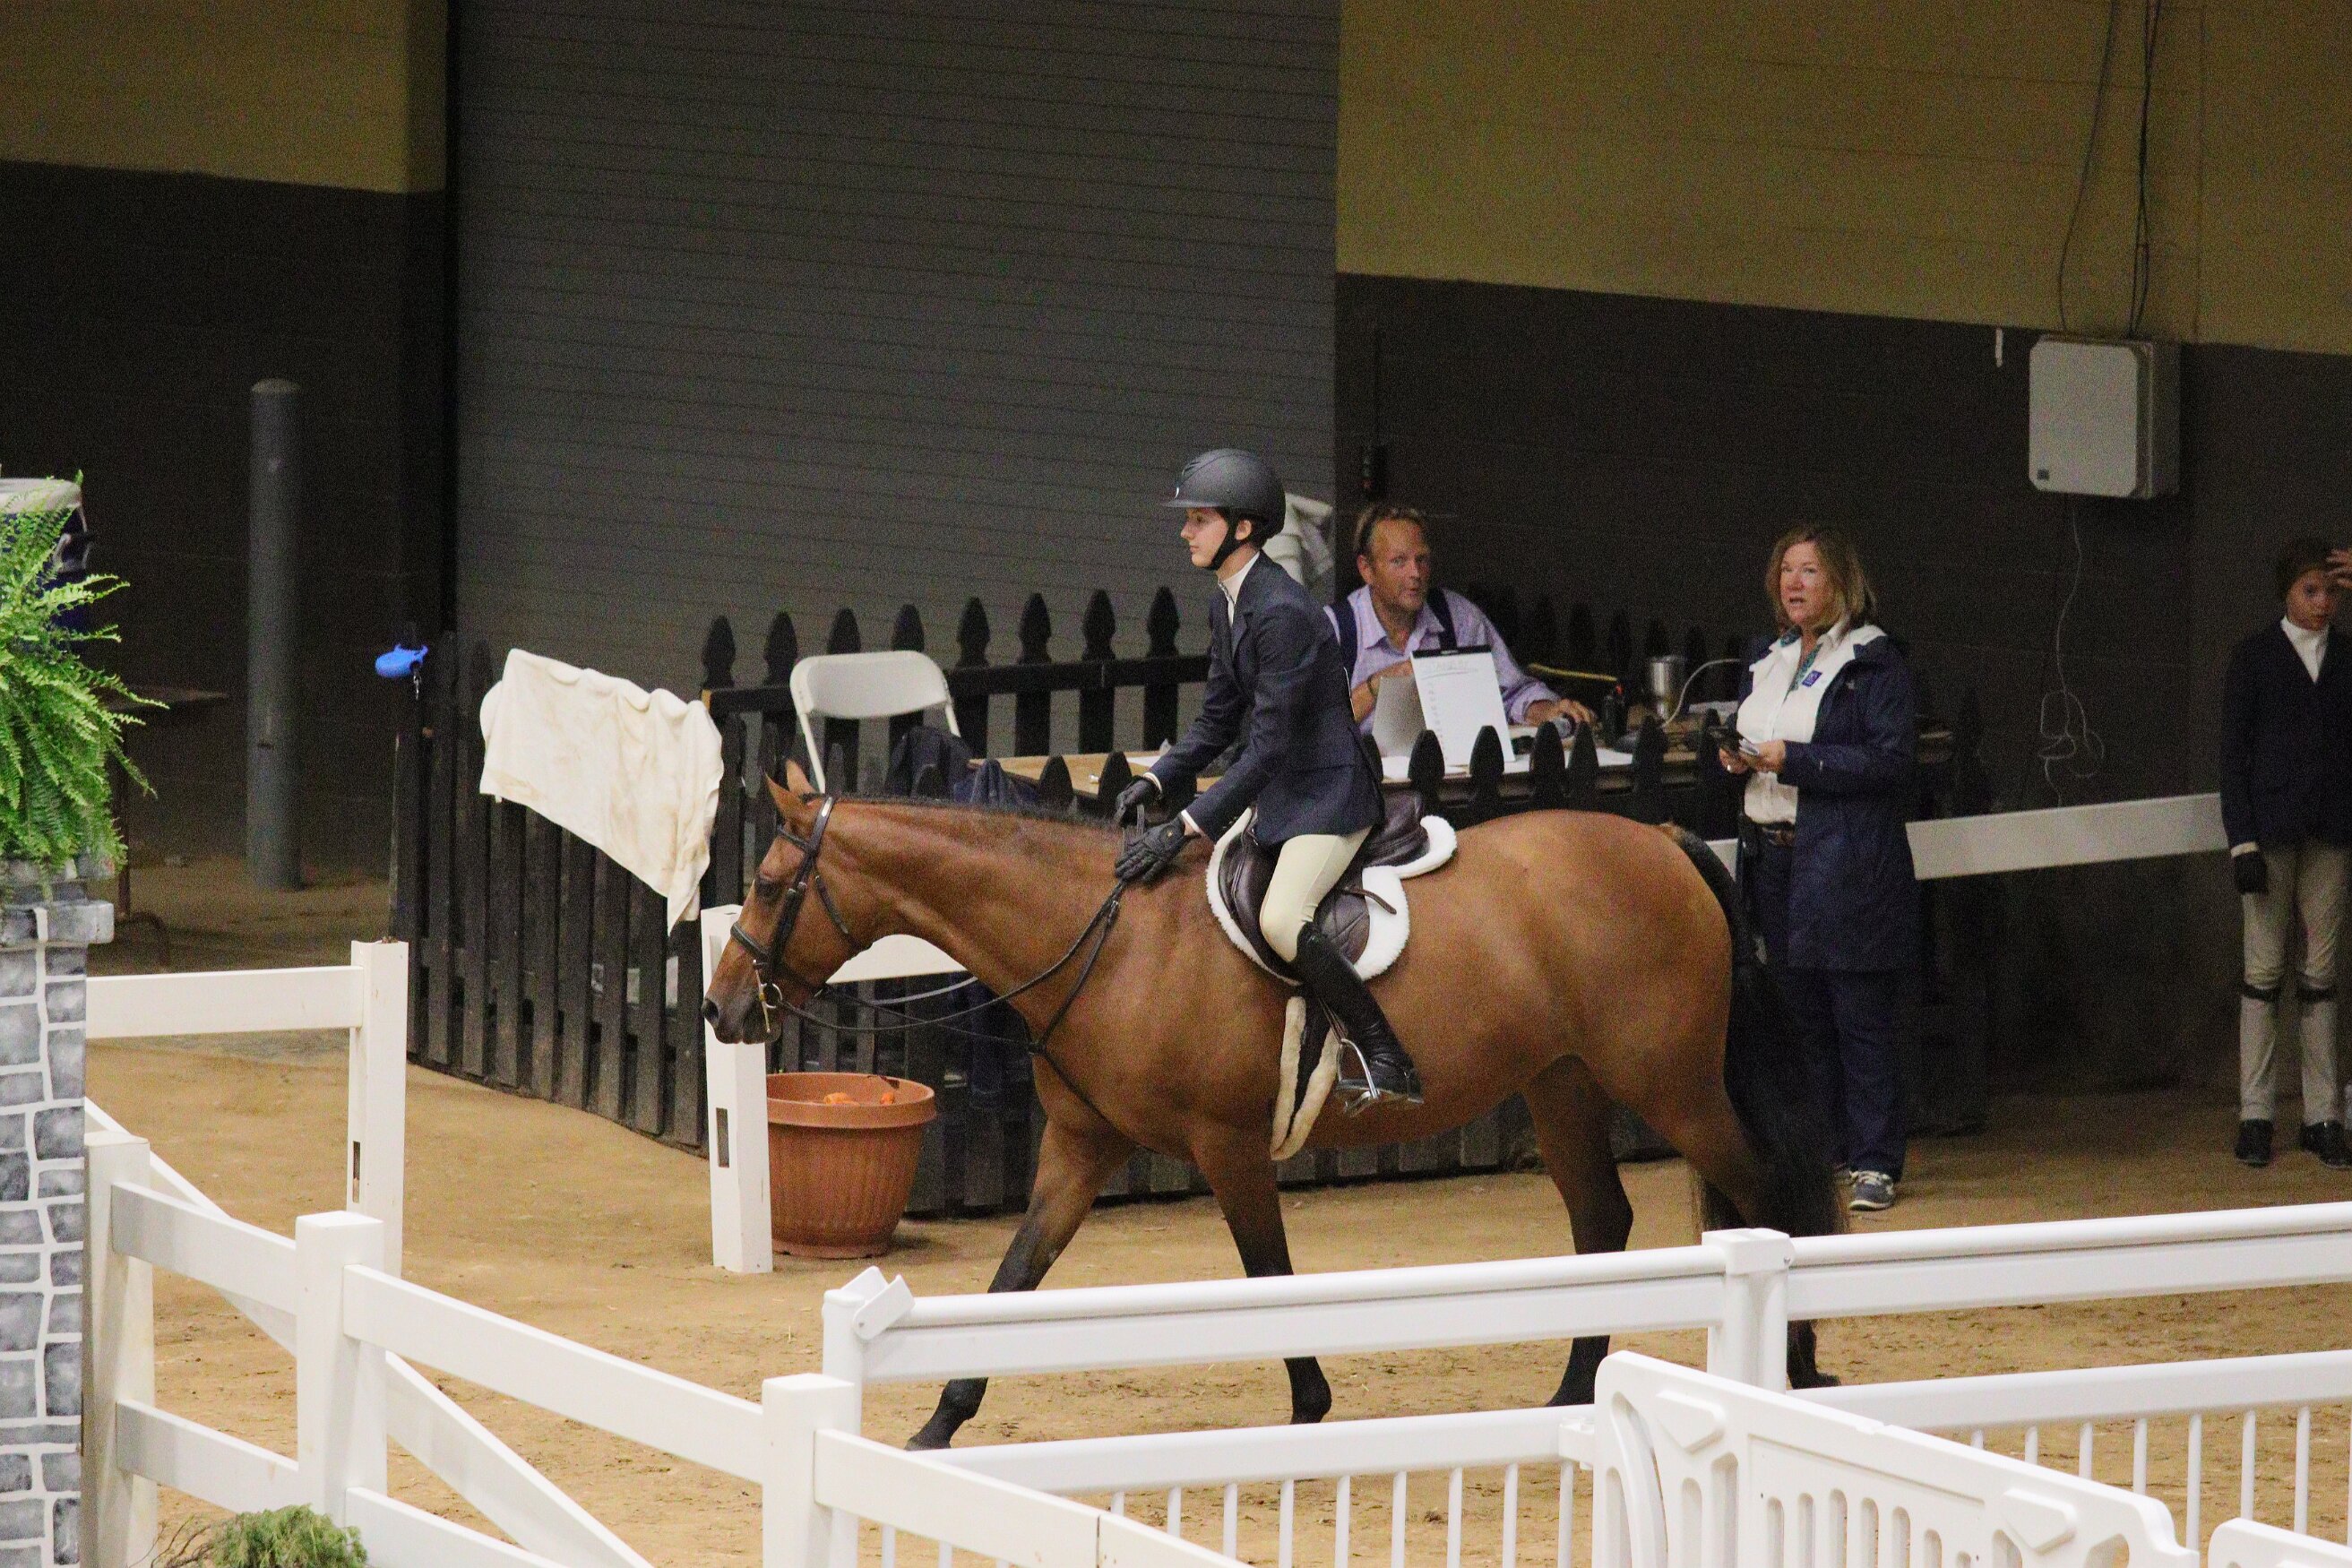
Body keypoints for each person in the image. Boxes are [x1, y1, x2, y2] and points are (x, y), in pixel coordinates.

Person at [1110, 450, 1424, 1108]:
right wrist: (1159, 781)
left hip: (1327, 796)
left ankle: (1385, 1054)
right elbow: (1217, 719)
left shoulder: (1281, 611)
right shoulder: (1229, 603)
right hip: (1284, 794)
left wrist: (1184, 828)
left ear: (1243, 529)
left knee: (1282, 918)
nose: (1186, 532)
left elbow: (1269, 748)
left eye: (1199, 520)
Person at [1719, 526, 1918, 1214]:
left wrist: (1796, 760)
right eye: (1785, 571)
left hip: (1842, 862)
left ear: (1839, 581)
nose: (1793, 583)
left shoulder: (1871, 659)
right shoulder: (1768, 656)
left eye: (1808, 571)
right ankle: (1826, 1145)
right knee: (1800, 1016)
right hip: (1773, 857)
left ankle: (1874, 1160)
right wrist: (1740, 757)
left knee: (1856, 1014)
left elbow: (1890, 760)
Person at [2218, 538, 2352, 1170]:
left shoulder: (2346, 657)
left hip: (2330, 832)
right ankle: (2256, 1114)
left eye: (2329, 591)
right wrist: (2241, 840)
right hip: (2270, 832)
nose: (2322, 602)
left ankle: (2322, 1115)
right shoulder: (2254, 658)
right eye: (2309, 590)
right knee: (2263, 973)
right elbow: (2233, 755)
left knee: (2320, 976)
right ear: (2286, 594)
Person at [1334, 504, 1594, 733]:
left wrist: (1546, 711)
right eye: (1399, 562)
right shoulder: (1337, 629)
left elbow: (1511, 693)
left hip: (1448, 771)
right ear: (1366, 569)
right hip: (1365, 773)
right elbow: (1317, 728)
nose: (1415, 573)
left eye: (1422, 559)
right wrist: (1379, 685)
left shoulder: (1457, 617)